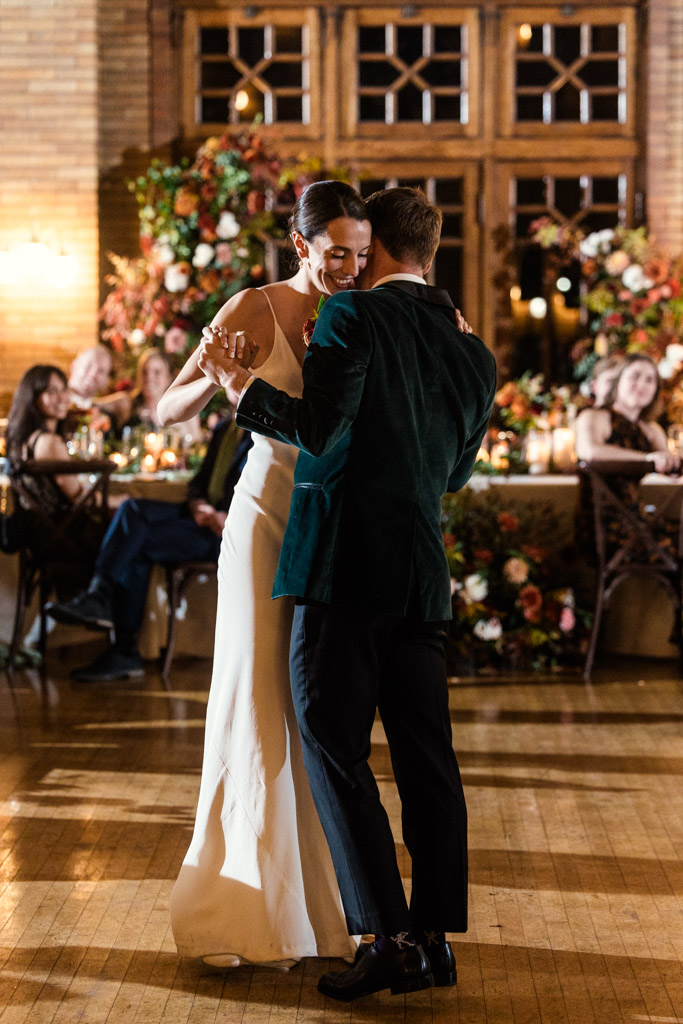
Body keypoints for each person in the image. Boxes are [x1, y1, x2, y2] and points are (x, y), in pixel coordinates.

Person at [198, 186, 497, 1000]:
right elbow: (455, 473)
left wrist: (240, 394)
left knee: (332, 739)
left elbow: (322, 430)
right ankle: (433, 939)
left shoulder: (350, 318)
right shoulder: (473, 352)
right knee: (427, 757)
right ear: (429, 252)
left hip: (338, 568)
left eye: (359, 253)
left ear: (377, 252)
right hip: (418, 573)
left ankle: (385, 934)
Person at [158, 180, 375, 969]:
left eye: (359, 252)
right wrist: (217, 380)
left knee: (316, 711)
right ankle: (237, 911)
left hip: (335, 527)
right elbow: (164, 409)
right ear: (300, 245)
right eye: (335, 252)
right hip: (264, 520)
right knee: (254, 697)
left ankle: (318, 910)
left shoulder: (366, 308)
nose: (349, 266)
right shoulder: (255, 307)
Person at [44, 418, 252, 682]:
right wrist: (197, 502)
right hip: (201, 517)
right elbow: (199, 481)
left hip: (226, 531)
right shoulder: (225, 427)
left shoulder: (262, 427)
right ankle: (100, 594)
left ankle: (123, 645)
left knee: (135, 543)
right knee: (131, 509)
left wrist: (229, 517)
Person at [6, 364, 106, 595]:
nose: (62, 398)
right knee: (131, 536)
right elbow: (79, 497)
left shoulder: (23, 441)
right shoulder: (49, 442)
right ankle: (111, 615)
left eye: (64, 390)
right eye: (52, 391)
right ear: (33, 397)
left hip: (36, 538)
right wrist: (124, 502)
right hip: (63, 539)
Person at [575, 353, 679, 472]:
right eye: (635, 376)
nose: (641, 385)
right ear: (618, 381)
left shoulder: (653, 430)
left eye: (650, 380)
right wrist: (646, 459)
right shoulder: (593, 416)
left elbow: (669, 469)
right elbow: (590, 452)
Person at [99, 348, 203, 442]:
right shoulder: (126, 403)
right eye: (144, 372)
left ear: (169, 378)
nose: (149, 378)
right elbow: (91, 404)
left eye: (157, 372)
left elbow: (196, 446)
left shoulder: (184, 409)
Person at [68, 345, 113, 410]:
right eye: (88, 366)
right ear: (73, 366)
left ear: (106, 380)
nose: (93, 374)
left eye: (101, 371)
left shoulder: (103, 414)